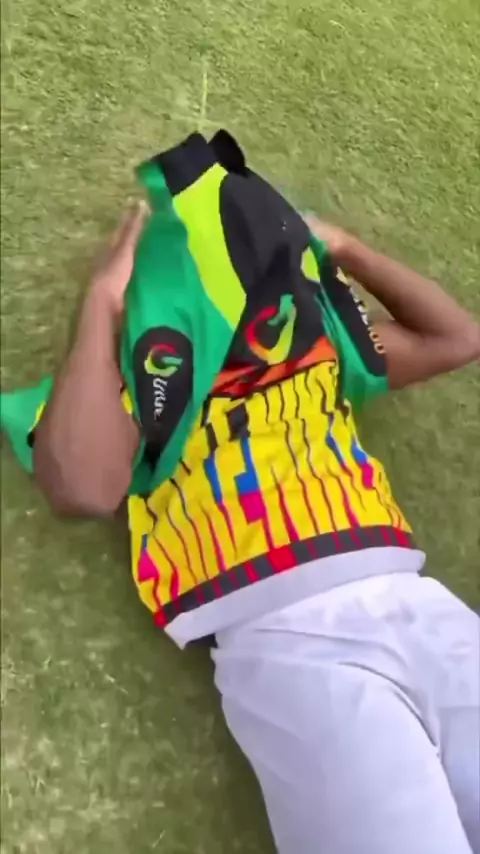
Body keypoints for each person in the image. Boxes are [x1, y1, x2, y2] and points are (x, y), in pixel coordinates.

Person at [34, 202, 480, 854]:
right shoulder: (150, 392)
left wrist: (342, 247)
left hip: (429, 612)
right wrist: (102, 306)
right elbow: (79, 485)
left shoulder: (323, 357)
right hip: (290, 642)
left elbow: (456, 339)